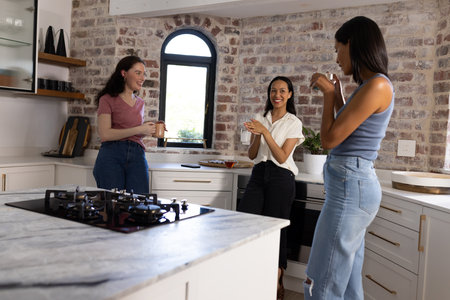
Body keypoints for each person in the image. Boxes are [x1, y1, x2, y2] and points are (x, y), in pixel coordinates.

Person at [305, 16, 394, 299]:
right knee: (346, 279)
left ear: (352, 44)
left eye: (337, 48)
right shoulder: (370, 86)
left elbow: (331, 140)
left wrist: (329, 96)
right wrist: (340, 95)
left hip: (351, 187)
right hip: (352, 185)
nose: (336, 57)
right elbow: (350, 130)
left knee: (322, 278)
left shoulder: (378, 86)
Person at [238, 76, 304, 300]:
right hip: (258, 174)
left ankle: (276, 275)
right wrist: (256, 135)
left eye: (282, 91)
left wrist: (265, 132)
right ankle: (252, 271)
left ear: (290, 95)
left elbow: (283, 156)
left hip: (281, 176)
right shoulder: (260, 117)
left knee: (277, 227)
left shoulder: (293, 122)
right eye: (273, 91)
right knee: (248, 221)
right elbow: (252, 154)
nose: (277, 95)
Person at [93, 55, 160, 194]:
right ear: (124, 73)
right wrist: (139, 128)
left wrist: (147, 130)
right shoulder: (107, 99)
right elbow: (105, 134)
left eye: (144, 74)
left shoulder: (140, 103)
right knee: (112, 205)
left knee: (140, 204)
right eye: (138, 73)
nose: (142, 78)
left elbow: (132, 131)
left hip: (137, 155)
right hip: (111, 155)